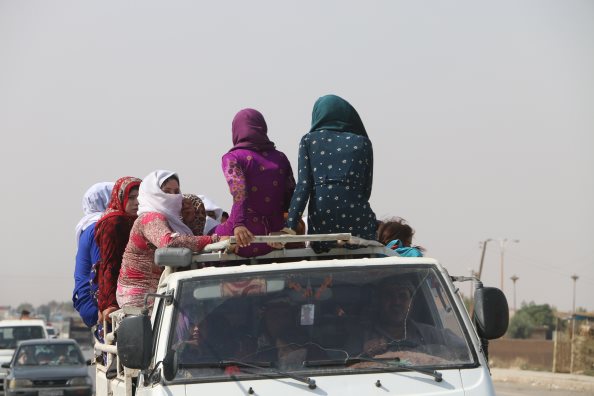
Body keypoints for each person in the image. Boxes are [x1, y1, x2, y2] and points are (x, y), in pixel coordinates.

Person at [286, 94, 376, 253]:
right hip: (358, 221)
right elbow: (366, 190)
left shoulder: (309, 140)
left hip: (323, 224)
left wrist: (290, 226)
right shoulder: (363, 142)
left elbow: (303, 186)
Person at [116, 170, 217, 309]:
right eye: (167, 191)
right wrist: (213, 240)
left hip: (164, 291)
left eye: (176, 191)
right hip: (141, 297)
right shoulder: (150, 218)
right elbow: (170, 243)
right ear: (153, 193)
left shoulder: (173, 220)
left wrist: (189, 220)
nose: (173, 196)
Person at [214, 108, 295, 257]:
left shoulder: (232, 158)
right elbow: (291, 196)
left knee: (211, 235)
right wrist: (285, 230)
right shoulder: (281, 158)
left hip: (241, 237)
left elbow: (239, 191)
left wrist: (239, 225)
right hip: (274, 239)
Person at [361, 278, 463, 358]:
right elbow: (347, 363)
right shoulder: (361, 335)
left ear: (412, 302)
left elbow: (466, 351)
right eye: (389, 296)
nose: (396, 302)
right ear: (379, 301)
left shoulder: (430, 335)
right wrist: (364, 353)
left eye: (402, 296)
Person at [94, 176, 142, 322]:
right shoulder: (114, 222)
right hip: (117, 297)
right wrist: (110, 304)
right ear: (120, 197)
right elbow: (110, 264)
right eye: (131, 197)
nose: (137, 202)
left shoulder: (136, 219)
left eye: (140, 197)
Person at [73, 182, 114, 327]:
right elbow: (101, 272)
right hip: (101, 311)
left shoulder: (88, 226)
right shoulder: (100, 228)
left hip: (91, 305)